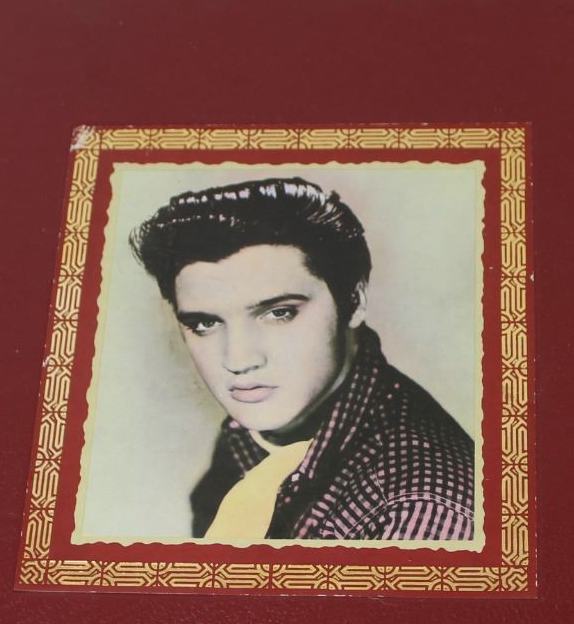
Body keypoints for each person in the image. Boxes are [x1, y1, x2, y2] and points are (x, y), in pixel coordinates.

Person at [129, 176, 475, 543]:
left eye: (279, 313)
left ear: (354, 301)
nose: (238, 360)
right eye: (205, 323)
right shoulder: (254, 434)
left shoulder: (420, 508)